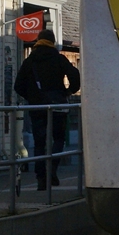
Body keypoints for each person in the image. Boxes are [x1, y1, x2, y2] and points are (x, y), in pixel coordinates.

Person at [14, 29, 80, 189]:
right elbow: (75, 76)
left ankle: (41, 177)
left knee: (39, 143)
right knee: (58, 139)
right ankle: (52, 169)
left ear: (38, 41)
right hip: (57, 104)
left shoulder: (30, 61)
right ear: (52, 41)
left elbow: (18, 86)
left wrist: (32, 96)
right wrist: (67, 91)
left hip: (37, 106)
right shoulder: (59, 59)